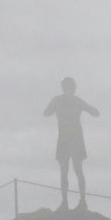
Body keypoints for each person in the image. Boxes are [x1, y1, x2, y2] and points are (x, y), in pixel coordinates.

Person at [43, 77, 99, 209]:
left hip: (64, 138)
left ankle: (65, 202)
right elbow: (95, 113)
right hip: (76, 139)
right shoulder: (77, 100)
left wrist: (57, 108)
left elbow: (46, 113)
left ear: (63, 87)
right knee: (79, 170)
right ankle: (82, 200)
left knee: (64, 172)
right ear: (73, 88)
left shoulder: (57, 100)